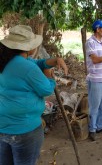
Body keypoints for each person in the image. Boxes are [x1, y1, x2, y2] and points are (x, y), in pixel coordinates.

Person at [0, 25, 68, 165]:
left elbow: (38, 63)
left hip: (4, 125)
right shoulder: (27, 67)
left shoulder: (7, 60)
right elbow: (46, 90)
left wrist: (53, 61)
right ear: (27, 47)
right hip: (25, 129)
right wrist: (49, 77)